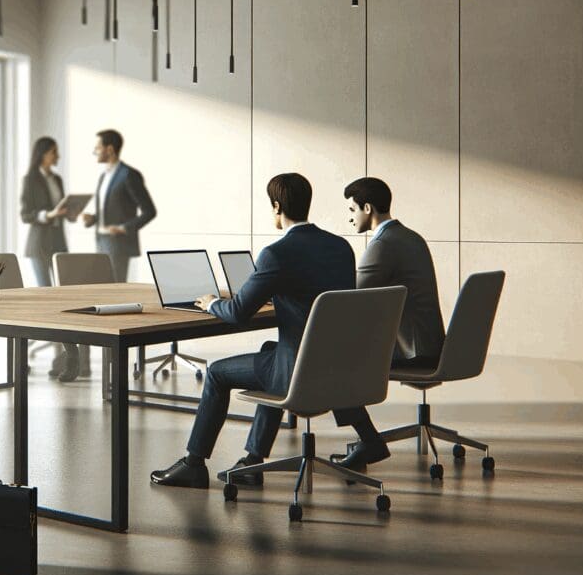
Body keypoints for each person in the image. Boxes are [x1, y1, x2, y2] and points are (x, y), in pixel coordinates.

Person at [150, 173, 354, 488]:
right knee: (268, 352)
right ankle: (253, 460)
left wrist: (211, 303)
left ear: (276, 207)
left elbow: (237, 313)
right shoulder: (341, 248)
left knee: (217, 373)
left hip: (297, 373)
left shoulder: (277, 253)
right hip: (336, 369)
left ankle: (193, 463)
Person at [330, 176, 447, 471]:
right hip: (432, 343)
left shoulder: (383, 244)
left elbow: (349, 298)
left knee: (327, 360)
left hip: (413, 352)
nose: (350, 217)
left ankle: (369, 440)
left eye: (352, 209)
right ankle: (367, 440)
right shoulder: (410, 236)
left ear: (367, 208)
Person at [19, 136, 82, 381]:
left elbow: (63, 212)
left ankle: (66, 355)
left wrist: (73, 213)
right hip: (39, 244)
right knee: (48, 298)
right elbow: (26, 215)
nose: (57, 156)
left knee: (63, 297)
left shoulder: (57, 179)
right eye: (54, 152)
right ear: (43, 154)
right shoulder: (30, 180)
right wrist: (50, 214)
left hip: (58, 243)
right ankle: (65, 355)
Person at [80, 129, 155, 283]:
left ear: (110, 149)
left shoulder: (129, 175)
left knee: (115, 289)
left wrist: (123, 228)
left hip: (118, 243)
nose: (94, 152)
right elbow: (110, 209)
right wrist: (93, 218)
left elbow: (149, 211)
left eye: (98, 148)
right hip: (100, 240)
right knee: (101, 288)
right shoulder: (104, 176)